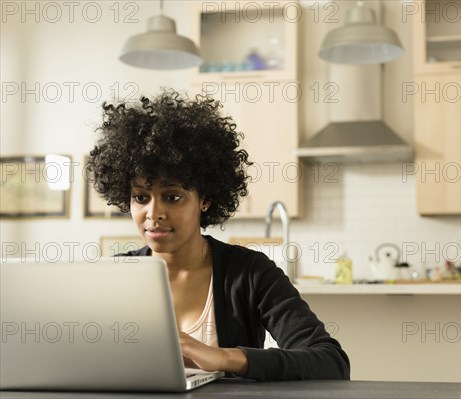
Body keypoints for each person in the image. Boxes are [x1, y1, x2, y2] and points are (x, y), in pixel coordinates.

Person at [86, 90, 350, 381]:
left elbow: (331, 362)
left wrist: (225, 357)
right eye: (140, 197)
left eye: (172, 197)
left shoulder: (250, 273)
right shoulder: (113, 276)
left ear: (205, 199)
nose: (154, 212)